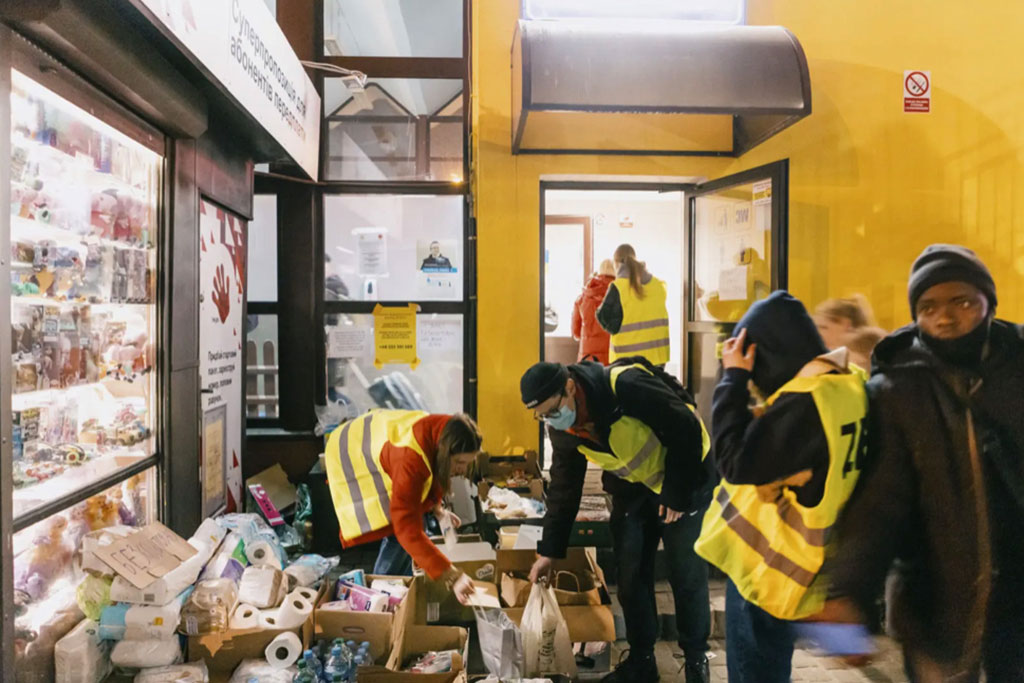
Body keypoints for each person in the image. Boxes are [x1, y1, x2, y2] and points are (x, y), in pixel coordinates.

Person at [824, 245, 1024, 681]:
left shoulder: (1017, 370)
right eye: (928, 307)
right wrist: (848, 593)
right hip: (939, 602)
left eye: (963, 302)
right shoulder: (900, 389)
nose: (945, 318)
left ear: (990, 303)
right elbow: (880, 501)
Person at [693, 291, 869, 683]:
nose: (757, 383)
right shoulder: (848, 384)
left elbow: (733, 461)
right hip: (812, 567)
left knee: (755, 670)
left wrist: (733, 379)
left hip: (771, 574)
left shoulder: (805, 402)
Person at [519, 357, 713, 683]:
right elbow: (565, 489)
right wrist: (549, 551)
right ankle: (642, 661)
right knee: (631, 572)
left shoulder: (624, 385)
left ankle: (696, 661)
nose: (552, 420)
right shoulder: (563, 429)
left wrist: (678, 493)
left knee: (686, 573)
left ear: (569, 387)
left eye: (553, 410)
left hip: (686, 476)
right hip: (634, 489)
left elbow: (685, 426)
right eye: (543, 416)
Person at [325, 410, 483, 604]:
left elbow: (433, 469)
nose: (462, 469)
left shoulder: (441, 430)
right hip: (352, 455)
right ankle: (374, 601)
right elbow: (405, 528)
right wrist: (452, 575)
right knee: (398, 535)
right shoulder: (410, 458)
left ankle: (400, 596)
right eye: (459, 462)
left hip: (383, 449)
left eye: (468, 463)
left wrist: (438, 510)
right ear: (446, 451)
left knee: (415, 528)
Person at [597, 244, 671, 366]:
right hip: (657, 361)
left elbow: (607, 320)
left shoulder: (618, 288)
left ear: (616, 264)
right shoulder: (659, 285)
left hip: (627, 363)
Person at [571, 259, 616, 364]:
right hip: (612, 360)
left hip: (587, 361)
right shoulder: (619, 296)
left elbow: (576, 333)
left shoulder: (583, 298)